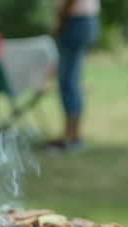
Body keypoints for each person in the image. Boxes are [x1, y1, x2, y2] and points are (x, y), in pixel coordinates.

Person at [49, 0, 100, 153]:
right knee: (71, 81)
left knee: (68, 82)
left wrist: (61, 19)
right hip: (82, 22)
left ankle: (71, 137)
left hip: (76, 22)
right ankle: (73, 136)